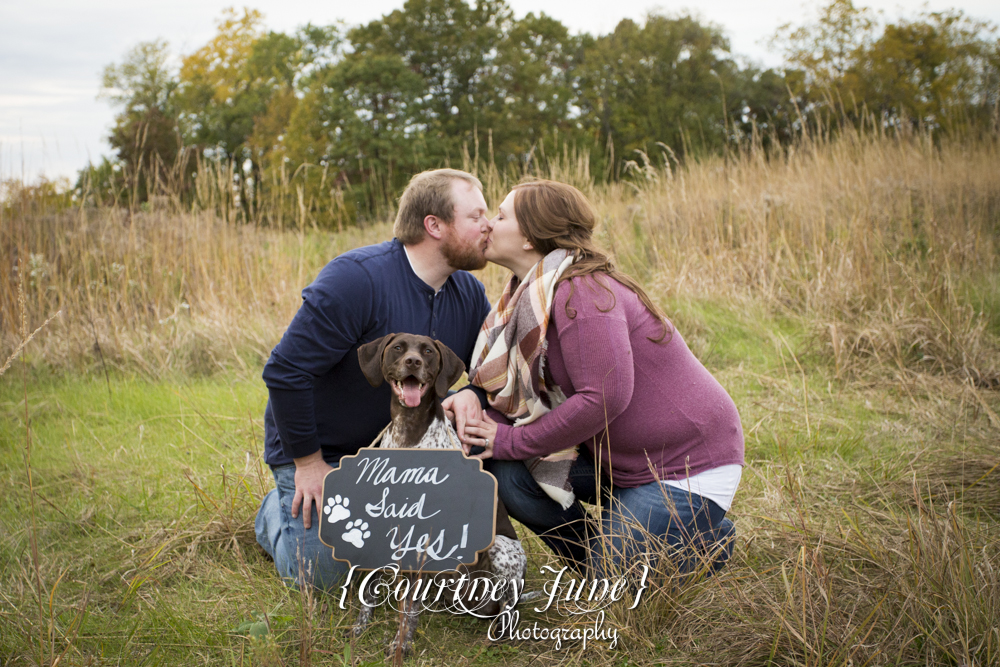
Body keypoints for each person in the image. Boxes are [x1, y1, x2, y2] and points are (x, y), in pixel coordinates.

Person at [443, 180, 744, 577]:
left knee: (615, 589)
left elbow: (605, 398)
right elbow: (519, 392)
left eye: (500, 216)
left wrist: (510, 439)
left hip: (685, 466)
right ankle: (606, 559)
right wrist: (472, 397)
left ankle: (707, 542)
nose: (489, 225)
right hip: (619, 459)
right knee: (512, 475)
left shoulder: (580, 291)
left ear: (531, 237)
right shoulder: (527, 296)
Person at [255, 169, 492, 589]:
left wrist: (471, 391)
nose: (488, 226)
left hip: (401, 456)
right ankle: (274, 509)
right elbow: (285, 371)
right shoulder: (356, 279)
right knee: (324, 580)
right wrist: (309, 464)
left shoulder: (469, 294)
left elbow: (484, 369)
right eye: (476, 216)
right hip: (322, 452)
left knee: (423, 566)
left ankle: (370, 515)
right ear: (434, 225)